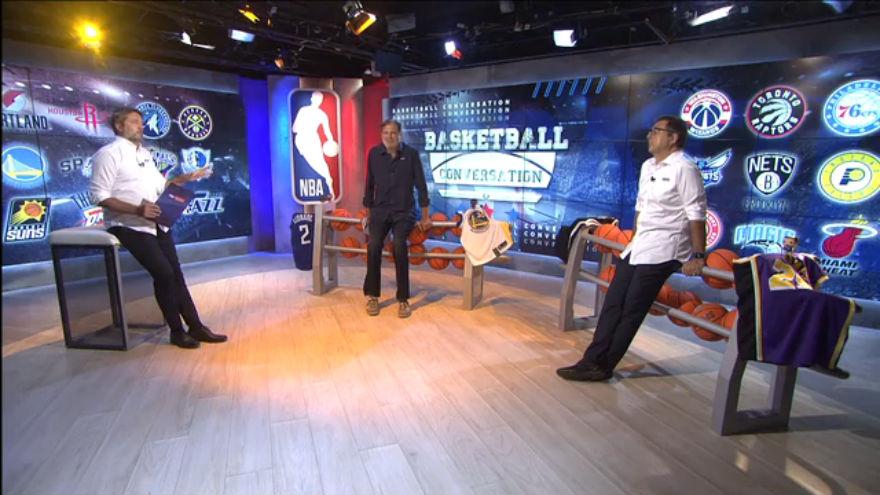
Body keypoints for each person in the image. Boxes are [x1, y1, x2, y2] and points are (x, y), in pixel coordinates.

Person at [557, 115, 707, 381]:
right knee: (613, 303)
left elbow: (696, 213)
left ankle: (604, 366)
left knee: (632, 309)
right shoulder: (648, 166)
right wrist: (635, 238)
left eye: (656, 131)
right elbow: (640, 207)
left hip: (665, 248)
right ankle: (590, 360)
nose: (649, 135)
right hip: (639, 247)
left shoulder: (685, 168)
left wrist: (698, 255)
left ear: (673, 138)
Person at [89, 107, 227, 349]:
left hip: (158, 224)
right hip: (129, 225)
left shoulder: (144, 153)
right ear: (119, 126)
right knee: (164, 274)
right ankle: (177, 331)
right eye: (134, 122)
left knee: (176, 274)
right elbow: (99, 196)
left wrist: (184, 179)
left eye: (141, 122)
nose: (141, 126)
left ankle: (196, 327)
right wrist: (137, 210)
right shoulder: (108, 154)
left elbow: (161, 186)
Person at [362, 119, 431, 318]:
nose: (389, 136)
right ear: (381, 135)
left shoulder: (411, 155)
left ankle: (403, 299)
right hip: (380, 211)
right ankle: (372, 296)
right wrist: (368, 215)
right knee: (374, 245)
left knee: (399, 245)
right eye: (386, 133)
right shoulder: (374, 154)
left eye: (393, 133)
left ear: (399, 134)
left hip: (403, 212)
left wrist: (425, 217)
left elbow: (421, 186)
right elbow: (369, 186)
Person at [292, 91, 338, 201]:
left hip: (313, 139)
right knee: (316, 163)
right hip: (303, 139)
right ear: (312, 98)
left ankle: (330, 190)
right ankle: (329, 186)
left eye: (319, 99)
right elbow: (294, 128)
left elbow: (327, 131)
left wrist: (331, 142)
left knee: (321, 164)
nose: (317, 100)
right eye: (316, 98)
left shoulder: (322, 115)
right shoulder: (303, 110)